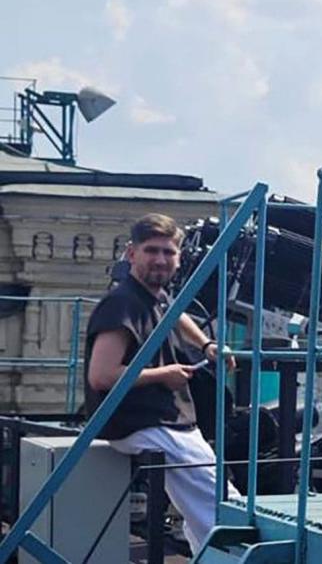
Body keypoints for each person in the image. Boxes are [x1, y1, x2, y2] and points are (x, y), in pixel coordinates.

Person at [84, 213, 238, 554]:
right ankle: (235, 552)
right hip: (141, 420)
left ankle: (211, 554)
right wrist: (162, 375)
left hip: (166, 417)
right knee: (221, 504)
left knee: (204, 503)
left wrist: (206, 345)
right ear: (131, 253)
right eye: (151, 250)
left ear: (179, 258)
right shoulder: (122, 303)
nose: (160, 259)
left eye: (168, 252)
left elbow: (177, 313)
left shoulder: (153, 296)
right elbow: (102, 375)